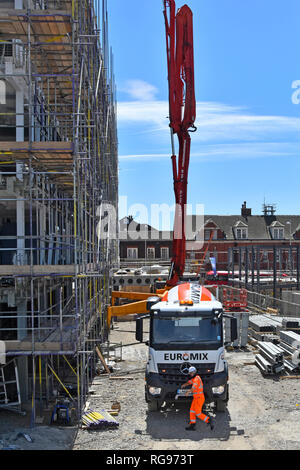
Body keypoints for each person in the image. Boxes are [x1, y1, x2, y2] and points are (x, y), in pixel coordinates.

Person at [181, 366, 214, 431]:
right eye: (189, 373)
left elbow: (194, 388)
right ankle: (192, 425)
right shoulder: (195, 378)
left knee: (198, 413)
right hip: (196, 398)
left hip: (199, 398)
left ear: (194, 372)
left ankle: (208, 420)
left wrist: (188, 392)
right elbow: (189, 382)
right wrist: (184, 385)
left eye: (191, 373)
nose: (190, 374)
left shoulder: (196, 379)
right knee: (192, 411)